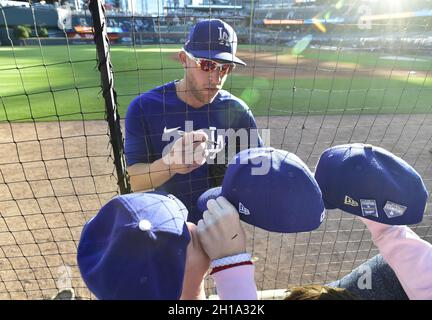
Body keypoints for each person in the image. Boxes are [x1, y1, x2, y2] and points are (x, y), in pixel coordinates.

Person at [125, 19, 263, 224]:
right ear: (183, 58)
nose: (216, 78)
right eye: (207, 65)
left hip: (217, 229)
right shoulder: (144, 107)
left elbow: (258, 171)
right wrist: (170, 164)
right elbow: (133, 182)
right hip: (165, 227)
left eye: (225, 68)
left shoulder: (237, 111)